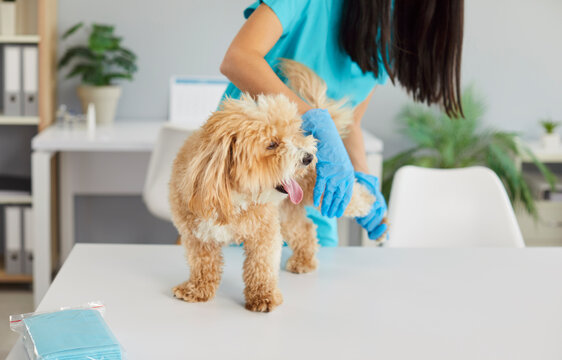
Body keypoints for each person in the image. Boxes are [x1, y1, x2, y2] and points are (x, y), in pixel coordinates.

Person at [220, 0, 464, 246]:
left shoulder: (387, 31)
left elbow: (351, 123)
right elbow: (238, 58)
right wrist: (312, 119)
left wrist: (363, 179)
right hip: (242, 185)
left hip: (307, 201)